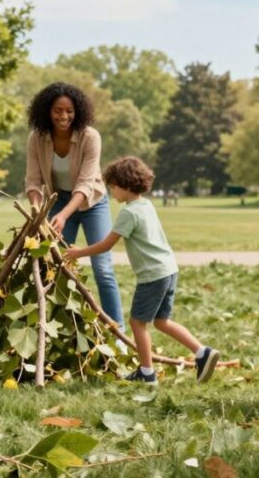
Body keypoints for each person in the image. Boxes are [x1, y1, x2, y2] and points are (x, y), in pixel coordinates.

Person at [64, 156, 220, 385]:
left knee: (137, 323)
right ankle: (202, 352)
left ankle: (147, 373)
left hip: (153, 276)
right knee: (161, 321)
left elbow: (106, 245)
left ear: (126, 186)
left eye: (114, 187)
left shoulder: (128, 213)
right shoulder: (145, 205)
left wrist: (78, 253)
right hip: (169, 270)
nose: (112, 192)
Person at [25, 82, 124, 330]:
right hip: (58, 203)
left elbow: (86, 183)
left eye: (69, 111)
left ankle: (118, 329)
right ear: (48, 111)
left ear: (77, 111)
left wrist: (65, 215)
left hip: (92, 203)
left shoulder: (90, 137)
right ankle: (62, 328)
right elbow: (33, 181)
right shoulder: (37, 138)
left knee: (103, 269)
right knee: (57, 267)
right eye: (58, 110)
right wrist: (37, 212)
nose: (64, 116)